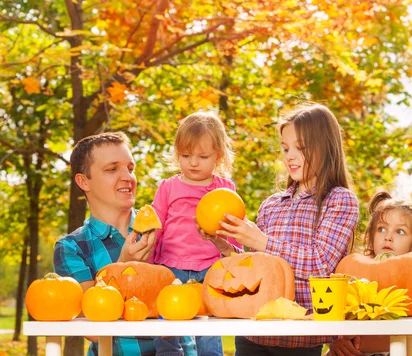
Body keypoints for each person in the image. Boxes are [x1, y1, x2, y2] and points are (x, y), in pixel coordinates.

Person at [204, 103, 360, 355]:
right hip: (253, 334)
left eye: (301, 148)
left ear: (326, 147)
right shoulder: (270, 205)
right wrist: (224, 245)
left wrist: (262, 241)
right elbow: (256, 271)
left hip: (301, 338)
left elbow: (320, 264)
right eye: (286, 148)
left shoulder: (339, 200)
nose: (290, 156)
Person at [53, 132, 196, 356]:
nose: (127, 177)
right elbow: (90, 328)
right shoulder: (72, 248)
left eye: (130, 168)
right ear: (83, 181)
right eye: (112, 169)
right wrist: (123, 265)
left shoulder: (165, 229)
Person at [149, 111, 238, 356]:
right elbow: (157, 224)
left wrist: (230, 261)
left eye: (202, 156)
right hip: (172, 265)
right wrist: (150, 259)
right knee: (168, 322)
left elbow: (232, 225)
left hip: (209, 267)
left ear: (218, 157)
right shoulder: (169, 187)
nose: (193, 162)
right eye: (186, 155)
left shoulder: (224, 188)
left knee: (207, 325)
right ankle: (168, 354)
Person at [326, 190, 412, 356]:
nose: (388, 237)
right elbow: (338, 317)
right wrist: (338, 342)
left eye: (400, 232)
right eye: (382, 229)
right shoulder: (354, 268)